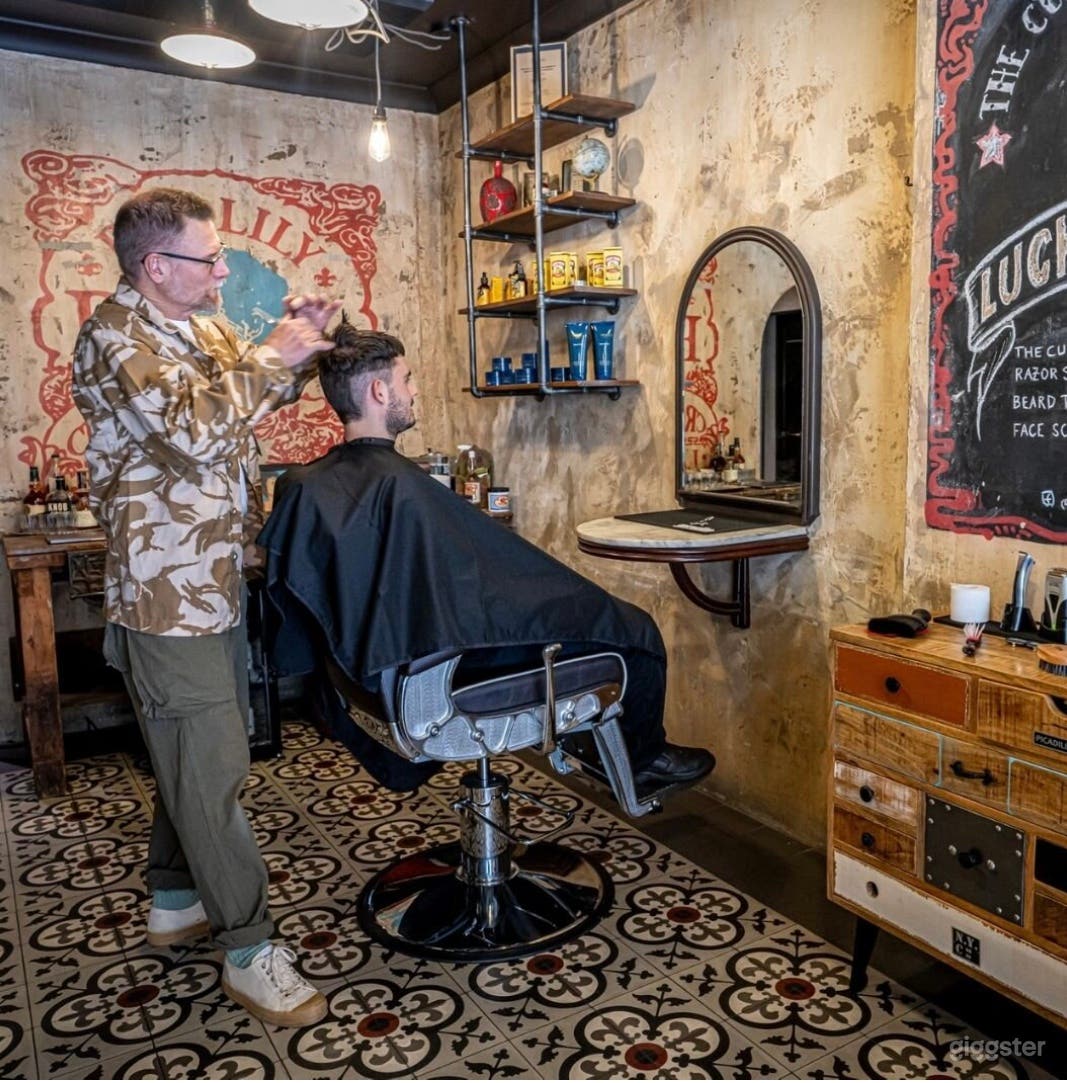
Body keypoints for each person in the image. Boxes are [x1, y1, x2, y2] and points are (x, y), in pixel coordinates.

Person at [71, 187, 340, 1028]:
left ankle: (175, 896)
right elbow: (191, 431)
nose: (225, 269)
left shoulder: (212, 328)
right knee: (213, 767)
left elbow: (257, 410)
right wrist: (277, 354)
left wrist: (305, 345)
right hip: (163, 596)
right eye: (209, 257)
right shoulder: (113, 337)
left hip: (219, 580)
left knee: (193, 752)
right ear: (156, 266)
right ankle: (250, 946)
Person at [258, 320, 714, 792]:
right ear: (378, 391)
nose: (414, 392)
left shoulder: (303, 485)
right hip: (438, 677)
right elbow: (487, 590)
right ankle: (643, 760)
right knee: (634, 630)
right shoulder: (404, 491)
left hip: (370, 682)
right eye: (407, 380)